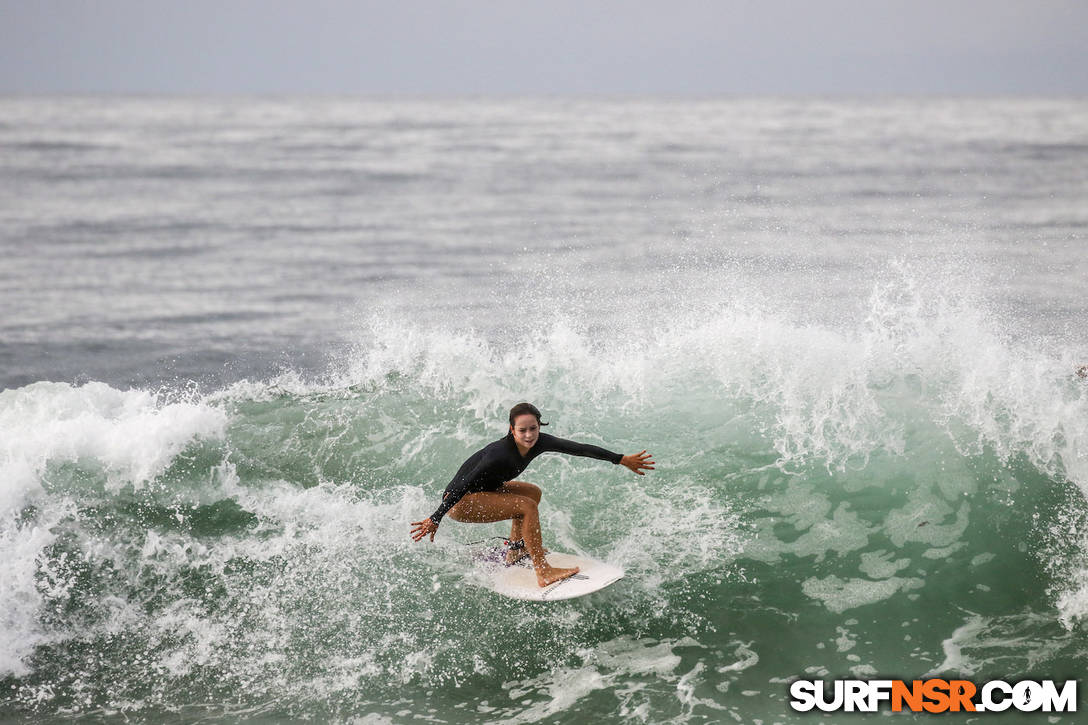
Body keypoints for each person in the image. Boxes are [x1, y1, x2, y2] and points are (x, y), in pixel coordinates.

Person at [410, 402, 654, 587]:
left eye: (533, 429)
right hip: (461, 503)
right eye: (522, 430)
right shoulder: (498, 454)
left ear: (539, 426)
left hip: (483, 492)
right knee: (526, 506)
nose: (529, 435)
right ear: (511, 430)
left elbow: (578, 449)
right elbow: (463, 485)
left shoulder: (539, 442)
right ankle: (543, 571)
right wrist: (436, 517)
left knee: (532, 493)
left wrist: (620, 459)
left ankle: (516, 548)